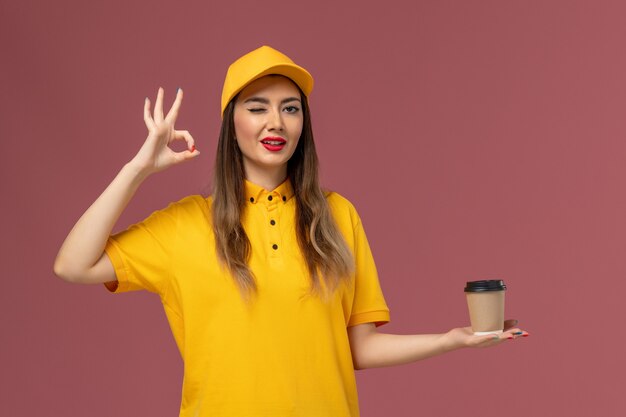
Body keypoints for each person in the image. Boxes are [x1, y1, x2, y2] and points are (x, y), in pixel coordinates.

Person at [54, 45, 527, 417]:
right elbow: (73, 265)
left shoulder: (338, 217)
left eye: (290, 108)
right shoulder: (185, 223)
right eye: (257, 107)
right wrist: (138, 169)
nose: (276, 122)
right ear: (231, 123)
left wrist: (453, 338)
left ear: (304, 123)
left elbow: (358, 348)